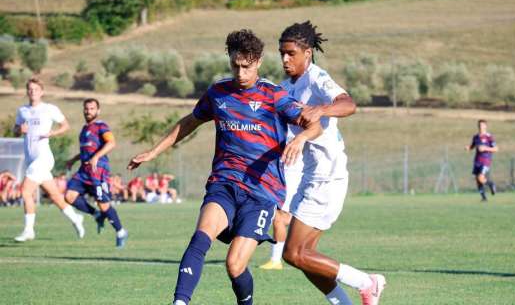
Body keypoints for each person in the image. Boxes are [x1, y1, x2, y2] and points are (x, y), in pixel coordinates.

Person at [127, 29, 321, 305]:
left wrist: (300, 139)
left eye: (247, 67)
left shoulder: (274, 96)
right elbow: (189, 122)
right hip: (224, 184)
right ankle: (179, 302)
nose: (241, 73)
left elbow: (315, 125)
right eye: (235, 66)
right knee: (200, 238)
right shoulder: (218, 93)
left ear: (259, 62)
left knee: (234, 266)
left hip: (262, 192)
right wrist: (154, 150)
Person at [275, 21, 385, 305]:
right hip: (311, 178)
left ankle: (367, 282)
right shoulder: (286, 87)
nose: (285, 59)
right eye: (282, 54)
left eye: (291, 53)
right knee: (305, 257)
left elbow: (348, 104)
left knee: (293, 254)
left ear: (307, 53)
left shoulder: (317, 78)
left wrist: (321, 108)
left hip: (327, 178)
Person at [13, 77, 85, 242]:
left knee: (25, 191)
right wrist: (19, 128)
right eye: (30, 89)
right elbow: (16, 130)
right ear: (27, 91)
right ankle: (76, 219)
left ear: (42, 92)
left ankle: (29, 230)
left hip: (43, 158)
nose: (33, 92)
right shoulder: (22, 110)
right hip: (31, 160)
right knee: (55, 196)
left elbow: (65, 126)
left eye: (36, 89)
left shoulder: (49, 109)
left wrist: (52, 133)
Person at [64, 98, 128, 247]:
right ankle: (96, 215)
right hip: (84, 171)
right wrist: (73, 160)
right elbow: (87, 151)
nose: (88, 111)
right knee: (69, 196)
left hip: (98, 171)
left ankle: (120, 231)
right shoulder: (84, 130)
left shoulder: (101, 126)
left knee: (104, 205)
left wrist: (96, 157)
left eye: (92, 108)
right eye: (86, 108)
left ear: (98, 111)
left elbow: (111, 143)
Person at [465, 119, 498, 201]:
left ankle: (491, 184)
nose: (481, 127)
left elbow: (496, 149)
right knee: (477, 179)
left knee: (480, 178)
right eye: (479, 125)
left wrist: (485, 148)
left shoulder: (489, 137)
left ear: (485, 126)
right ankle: (484, 198)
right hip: (477, 161)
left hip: (485, 160)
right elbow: (472, 146)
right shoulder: (476, 137)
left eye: (482, 125)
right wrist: (468, 148)